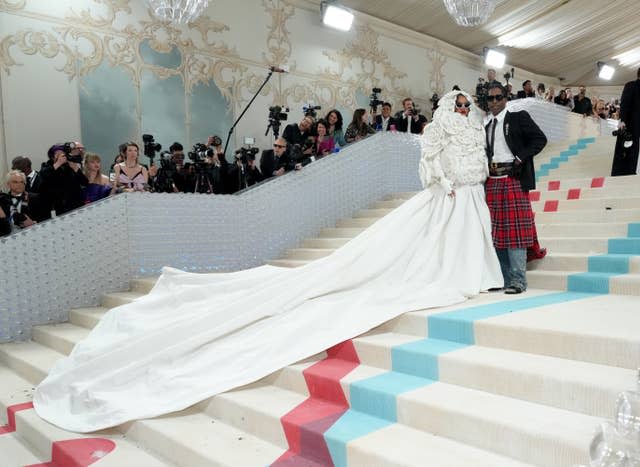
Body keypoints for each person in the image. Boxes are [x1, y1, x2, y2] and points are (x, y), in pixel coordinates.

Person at [33, 90, 503, 433]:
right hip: (448, 196)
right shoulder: (437, 127)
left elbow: (476, 160)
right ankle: (450, 271)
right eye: (458, 104)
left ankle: (473, 271)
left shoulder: (473, 128)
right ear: (449, 107)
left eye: (467, 104)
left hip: (471, 196)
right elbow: (429, 164)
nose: (464, 109)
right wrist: (444, 180)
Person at [484, 83, 547, 294]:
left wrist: (520, 158)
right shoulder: (485, 126)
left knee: (516, 232)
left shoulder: (518, 117)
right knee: (497, 232)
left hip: (513, 178)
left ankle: (519, 281)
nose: (494, 102)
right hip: (491, 181)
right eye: (490, 98)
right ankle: (504, 278)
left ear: (505, 98)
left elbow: (540, 139)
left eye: (498, 97)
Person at [611, 64, 640, 176]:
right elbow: (625, 104)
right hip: (633, 123)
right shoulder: (631, 85)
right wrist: (622, 120)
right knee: (632, 148)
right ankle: (631, 171)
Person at [39, 143, 88, 219]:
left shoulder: (69, 165)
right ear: (52, 156)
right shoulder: (47, 166)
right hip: (58, 207)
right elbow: (44, 181)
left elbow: (85, 182)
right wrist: (58, 163)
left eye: (63, 153)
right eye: (58, 154)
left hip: (76, 206)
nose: (62, 155)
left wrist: (76, 169)